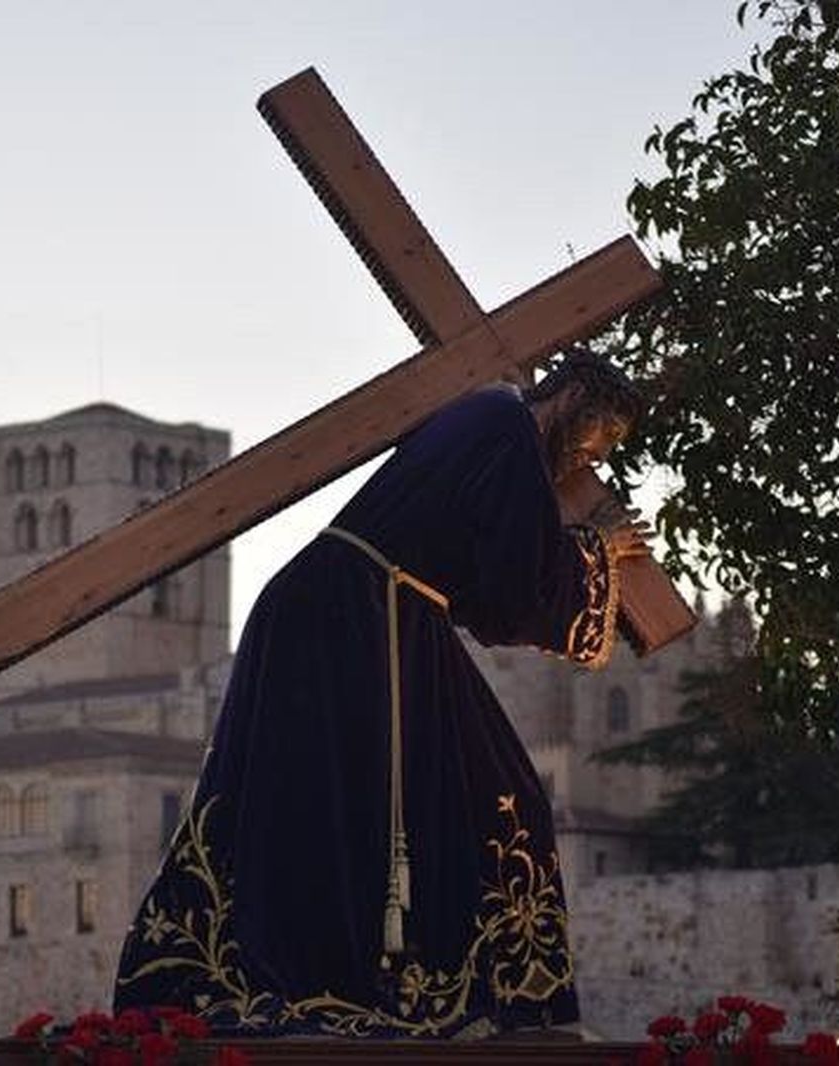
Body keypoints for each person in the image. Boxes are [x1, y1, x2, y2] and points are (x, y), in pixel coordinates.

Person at [113, 350, 652, 1039]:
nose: (587, 458)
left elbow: (483, 587)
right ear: (571, 397)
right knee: (416, 795)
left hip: (370, 616)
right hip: (353, 620)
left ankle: (416, 989)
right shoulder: (509, 430)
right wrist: (597, 546)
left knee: (393, 794)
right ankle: (364, 989)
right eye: (596, 439)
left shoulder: (490, 422)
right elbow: (513, 595)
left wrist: (573, 547)